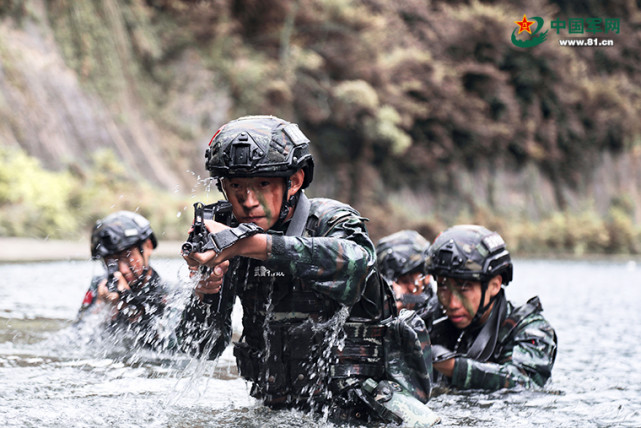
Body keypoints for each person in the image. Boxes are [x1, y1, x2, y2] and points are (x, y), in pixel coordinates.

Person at [177, 115, 439, 426]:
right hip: (278, 412)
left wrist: (251, 245)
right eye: (236, 186)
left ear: (295, 180)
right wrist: (205, 293)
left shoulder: (331, 221)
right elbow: (197, 347)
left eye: (262, 184)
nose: (248, 200)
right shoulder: (226, 235)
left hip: (361, 412)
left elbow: (357, 265)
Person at [425, 224, 557, 390]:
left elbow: (527, 383)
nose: (452, 303)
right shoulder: (430, 318)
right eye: (443, 286)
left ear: (494, 285)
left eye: (464, 288)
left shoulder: (528, 327)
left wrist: (454, 367)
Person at [76, 211, 169, 349]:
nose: (123, 269)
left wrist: (131, 307)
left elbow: (170, 348)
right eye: (111, 261)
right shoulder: (99, 287)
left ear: (148, 246)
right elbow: (77, 338)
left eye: (127, 256)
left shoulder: (168, 294)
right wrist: (102, 308)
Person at [376, 230, 438, 323]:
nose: (398, 291)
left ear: (427, 277)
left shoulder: (444, 313)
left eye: (406, 281)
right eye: (388, 282)